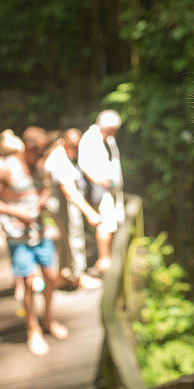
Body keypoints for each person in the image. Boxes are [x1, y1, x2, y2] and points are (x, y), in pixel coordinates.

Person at [0, 129, 67, 356]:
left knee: (50, 278)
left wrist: (44, 199)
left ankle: (47, 320)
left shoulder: (39, 166)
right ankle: (32, 329)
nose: (43, 155)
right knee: (28, 283)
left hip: (40, 232)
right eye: (40, 150)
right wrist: (16, 213)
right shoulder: (5, 169)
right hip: (18, 238)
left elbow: (42, 188)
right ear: (29, 147)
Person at [44, 129, 103, 289]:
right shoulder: (60, 159)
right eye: (74, 147)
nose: (76, 151)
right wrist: (90, 212)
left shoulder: (58, 153)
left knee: (65, 240)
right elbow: (70, 191)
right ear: (65, 142)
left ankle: (65, 274)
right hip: (66, 207)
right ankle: (78, 276)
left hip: (61, 205)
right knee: (74, 238)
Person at [78, 110, 124, 272]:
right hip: (99, 189)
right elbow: (84, 165)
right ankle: (104, 260)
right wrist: (99, 181)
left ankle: (107, 257)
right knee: (105, 223)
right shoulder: (90, 139)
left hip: (110, 188)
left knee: (110, 222)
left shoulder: (108, 139)